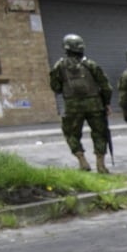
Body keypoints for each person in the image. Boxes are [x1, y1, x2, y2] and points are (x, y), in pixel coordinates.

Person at [47, 33, 112, 173]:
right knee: (100, 133)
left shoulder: (59, 66)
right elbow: (105, 86)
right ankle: (101, 164)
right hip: (95, 104)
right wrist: (106, 103)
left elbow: (55, 87)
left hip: (72, 106)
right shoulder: (90, 64)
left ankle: (82, 161)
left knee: (71, 133)